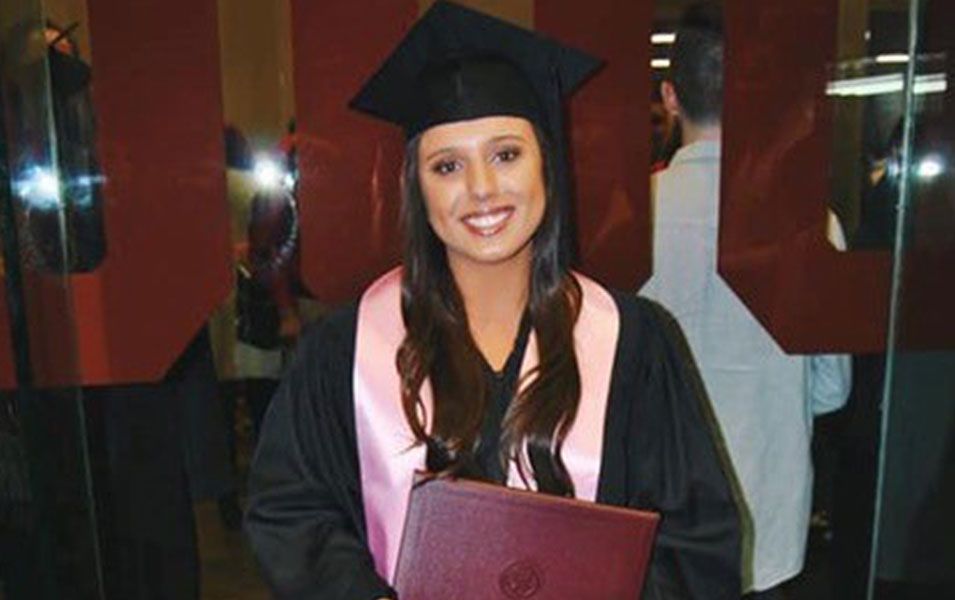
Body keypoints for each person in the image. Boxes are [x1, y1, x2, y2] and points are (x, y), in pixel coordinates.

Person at [245, 3, 741, 598]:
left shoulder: (635, 342)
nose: (481, 189)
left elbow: (697, 541)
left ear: (546, 166)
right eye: (447, 165)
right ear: (416, 187)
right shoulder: (344, 354)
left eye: (506, 154)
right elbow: (291, 516)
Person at [639, 4, 850, 597]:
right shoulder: (812, 223)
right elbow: (831, 391)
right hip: (771, 524)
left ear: (670, 96)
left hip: (662, 521)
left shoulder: (627, 221)